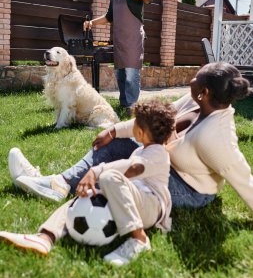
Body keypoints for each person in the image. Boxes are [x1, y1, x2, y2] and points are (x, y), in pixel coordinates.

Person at [8, 62, 253, 211]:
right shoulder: (194, 99)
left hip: (190, 190)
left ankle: (78, 196)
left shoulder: (216, 137)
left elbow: (243, 178)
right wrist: (114, 130)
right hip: (163, 163)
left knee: (130, 168)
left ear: (205, 92)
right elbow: (156, 119)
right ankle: (60, 183)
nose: (192, 79)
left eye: (196, 77)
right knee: (122, 141)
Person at [0, 100, 176, 265]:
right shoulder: (142, 149)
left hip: (151, 206)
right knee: (80, 199)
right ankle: (45, 237)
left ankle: (139, 239)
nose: (132, 124)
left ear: (141, 132)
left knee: (109, 178)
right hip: (132, 199)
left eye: (135, 122)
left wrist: (96, 170)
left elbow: (133, 168)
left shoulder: (159, 154)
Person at [84, 0, 152, 113]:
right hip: (120, 39)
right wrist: (91, 23)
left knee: (131, 73)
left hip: (133, 37)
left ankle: (132, 106)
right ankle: (123, 104)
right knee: (120, 73)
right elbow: (109, 17)